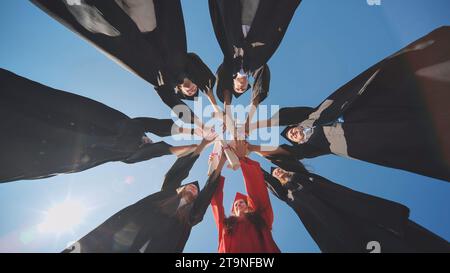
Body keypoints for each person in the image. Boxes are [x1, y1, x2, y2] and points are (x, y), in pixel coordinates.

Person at [250, 27, 450, 182]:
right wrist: (252, 146)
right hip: (362, 137)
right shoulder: (314, 147)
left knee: (404, 85)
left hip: (359, 104)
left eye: (292, 131)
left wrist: (253, 125)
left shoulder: (312, 115)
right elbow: (287, 153)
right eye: (292, 138)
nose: (293, 134)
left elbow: (283, 117)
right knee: (412, 133)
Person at [32, 0, 217, 128]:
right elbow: (207, 81)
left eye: (189, 94)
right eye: (195, 89)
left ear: (181, 93)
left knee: (101, 9)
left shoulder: (163, 81)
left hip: (125, 35)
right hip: (149, 21)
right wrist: (215, 107)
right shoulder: (184, 61)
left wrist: (200, 125)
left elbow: (174, 103)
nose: (193, 91)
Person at [0, 68, 198, 183]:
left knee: (29, 135)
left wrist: (197, 140)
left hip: (70, 143)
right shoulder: (131, 130)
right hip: (77, 123)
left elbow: (164, 147)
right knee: (36, 110)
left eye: (149, 140)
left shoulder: (129, 153)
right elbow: (156, 132)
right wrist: (195, 135)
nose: (149, 138)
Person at [63, 135, 226, 253]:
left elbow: (209, 188)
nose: (193, 188)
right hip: (119, 241)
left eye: (196, 190)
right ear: (179, 189)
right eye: (190, 186)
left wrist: (221, 162)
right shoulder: (165, 196)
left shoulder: (191, 216)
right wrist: (202, 145)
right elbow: (176, 173)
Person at [260, 156, 450, 253]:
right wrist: (245, 158)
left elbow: (285, 158)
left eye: (279, 169)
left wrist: (263, 152)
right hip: (350, 234)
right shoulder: (290, 195)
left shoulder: (304, 176)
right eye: (275, 173)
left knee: (419, 242)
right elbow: (266, 180)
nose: (277, 172)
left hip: (371, 215)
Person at [209, 0, 301, 128]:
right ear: (248, 83)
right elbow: (259, 87)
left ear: (232, 82)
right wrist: (248, 121)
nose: (241, 88)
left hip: (236, 19)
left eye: (236, 88)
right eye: (243, 89)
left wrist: (227, 113)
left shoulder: (230, 62)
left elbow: (224, 80)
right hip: (261, 21)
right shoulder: (256, 64)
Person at [210, 140, 280, 253]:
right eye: (236, 204)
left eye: (241, 202)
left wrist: (241, 159)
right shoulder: (226, 225)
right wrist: (218, 166)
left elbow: (257, 191)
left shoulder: (261, 217)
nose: (238, 204)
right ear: (233, 210)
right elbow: (216, 204)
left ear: (248, 205)